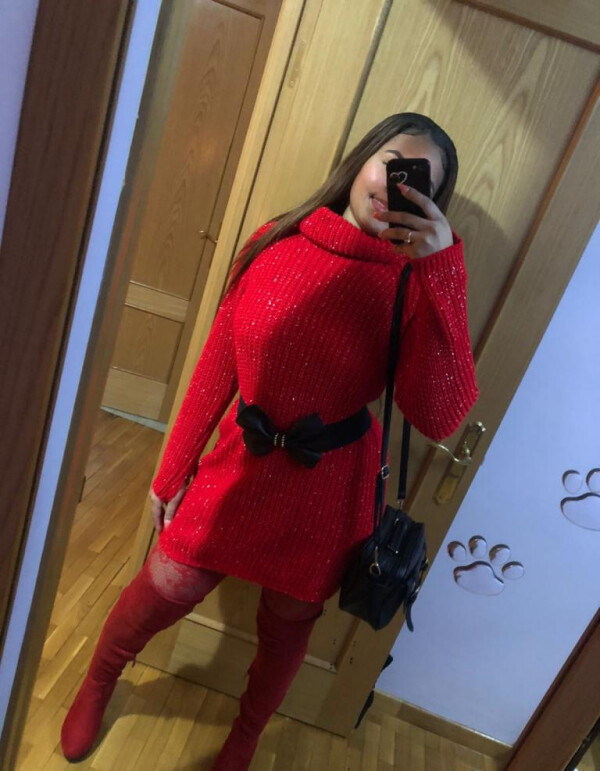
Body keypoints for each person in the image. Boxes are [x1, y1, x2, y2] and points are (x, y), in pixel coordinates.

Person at [60, 112, 478, 768]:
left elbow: (438, 415)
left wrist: (443, 272)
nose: (395, 186)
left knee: (285, 630)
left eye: (417, 180)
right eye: (392, 163)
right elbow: (216, 365)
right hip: (238, 462)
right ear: (363, 159)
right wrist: (172, 470)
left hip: (329, 491)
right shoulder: (275, 240)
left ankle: (246, 736)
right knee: (163, 588)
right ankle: (99, 678)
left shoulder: (413, 285)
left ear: (432, 202)